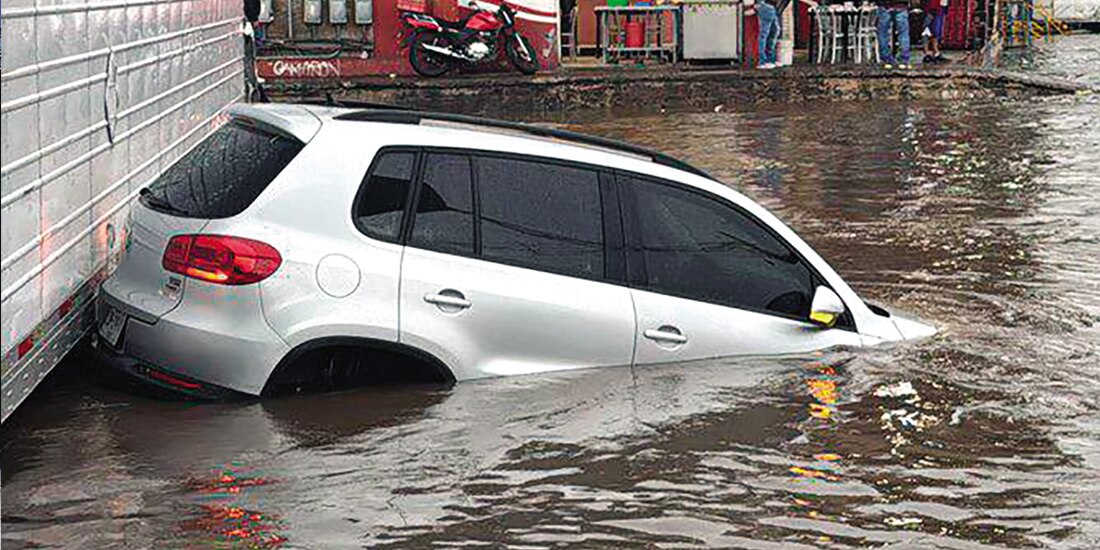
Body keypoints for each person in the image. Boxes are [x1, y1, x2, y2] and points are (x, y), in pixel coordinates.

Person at [876, 0, 911, 69]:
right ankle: (903, 60)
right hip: (901, 4)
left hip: (885, 5)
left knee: (883, 33)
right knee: (903, 34)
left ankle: (887, 60)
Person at [758, 0, 780, 69]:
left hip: (770, 6)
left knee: (774, 31)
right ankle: (763, 61)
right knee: (765, 34)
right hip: (766, 5)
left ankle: (770, 59)